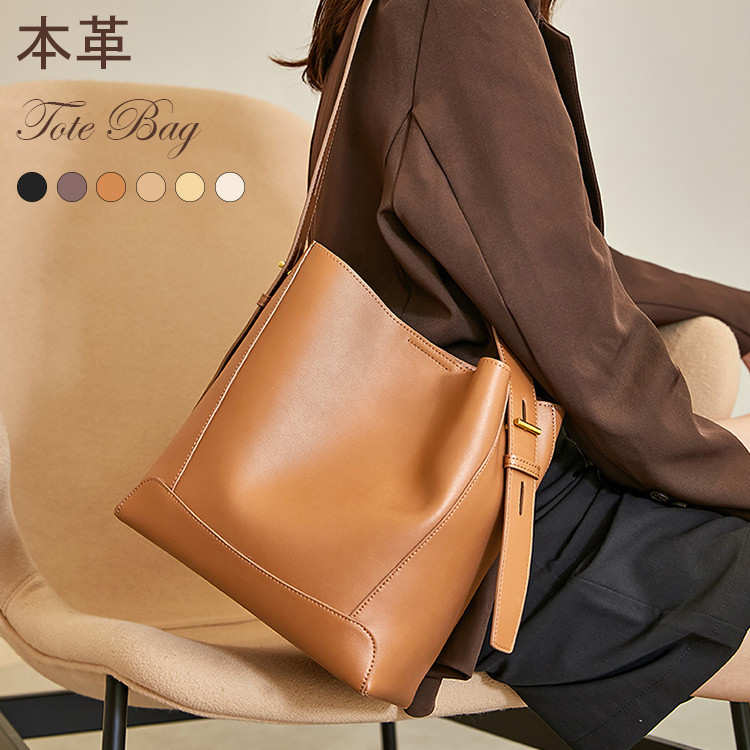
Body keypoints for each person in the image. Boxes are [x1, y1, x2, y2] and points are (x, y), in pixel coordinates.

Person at [271, 0, 750, 747]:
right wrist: (724, 467)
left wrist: (740, 314)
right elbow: (574, 322)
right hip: (472, 535)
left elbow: (547, 259)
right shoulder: (462, 14)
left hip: (409, 499)